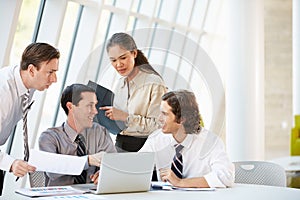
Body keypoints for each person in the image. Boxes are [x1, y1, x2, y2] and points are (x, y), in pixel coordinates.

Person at [139, 90, 235, 188]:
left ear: (181, 119)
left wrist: (180, 182)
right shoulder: (156, 140)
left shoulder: (210, 142)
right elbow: (134, 167)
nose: (159, 118)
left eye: (165, 114)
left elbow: (226, 177)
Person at [0, 42, 60, 194]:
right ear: (32, 70)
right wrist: (11, 163)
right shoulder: (3, 92)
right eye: (50, 72)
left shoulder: (29, 83)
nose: (54, 79)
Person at [100, 32, 167, 152]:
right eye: (113, 60)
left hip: (143, 148)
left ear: (134, 53)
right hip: (120, 144)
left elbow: (158, 126)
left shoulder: (154, 83)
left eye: (123, 58)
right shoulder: (120, 83)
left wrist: (126, 117)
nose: (118, 64)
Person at [39, 84, 116, 186]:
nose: (95, 111)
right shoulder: (49, 137)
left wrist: (105, 173)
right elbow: (52, 170)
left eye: (95, 105)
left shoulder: (99, 132)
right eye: (89, 105)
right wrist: (87, 160)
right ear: (71, 107)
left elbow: (115, 163)